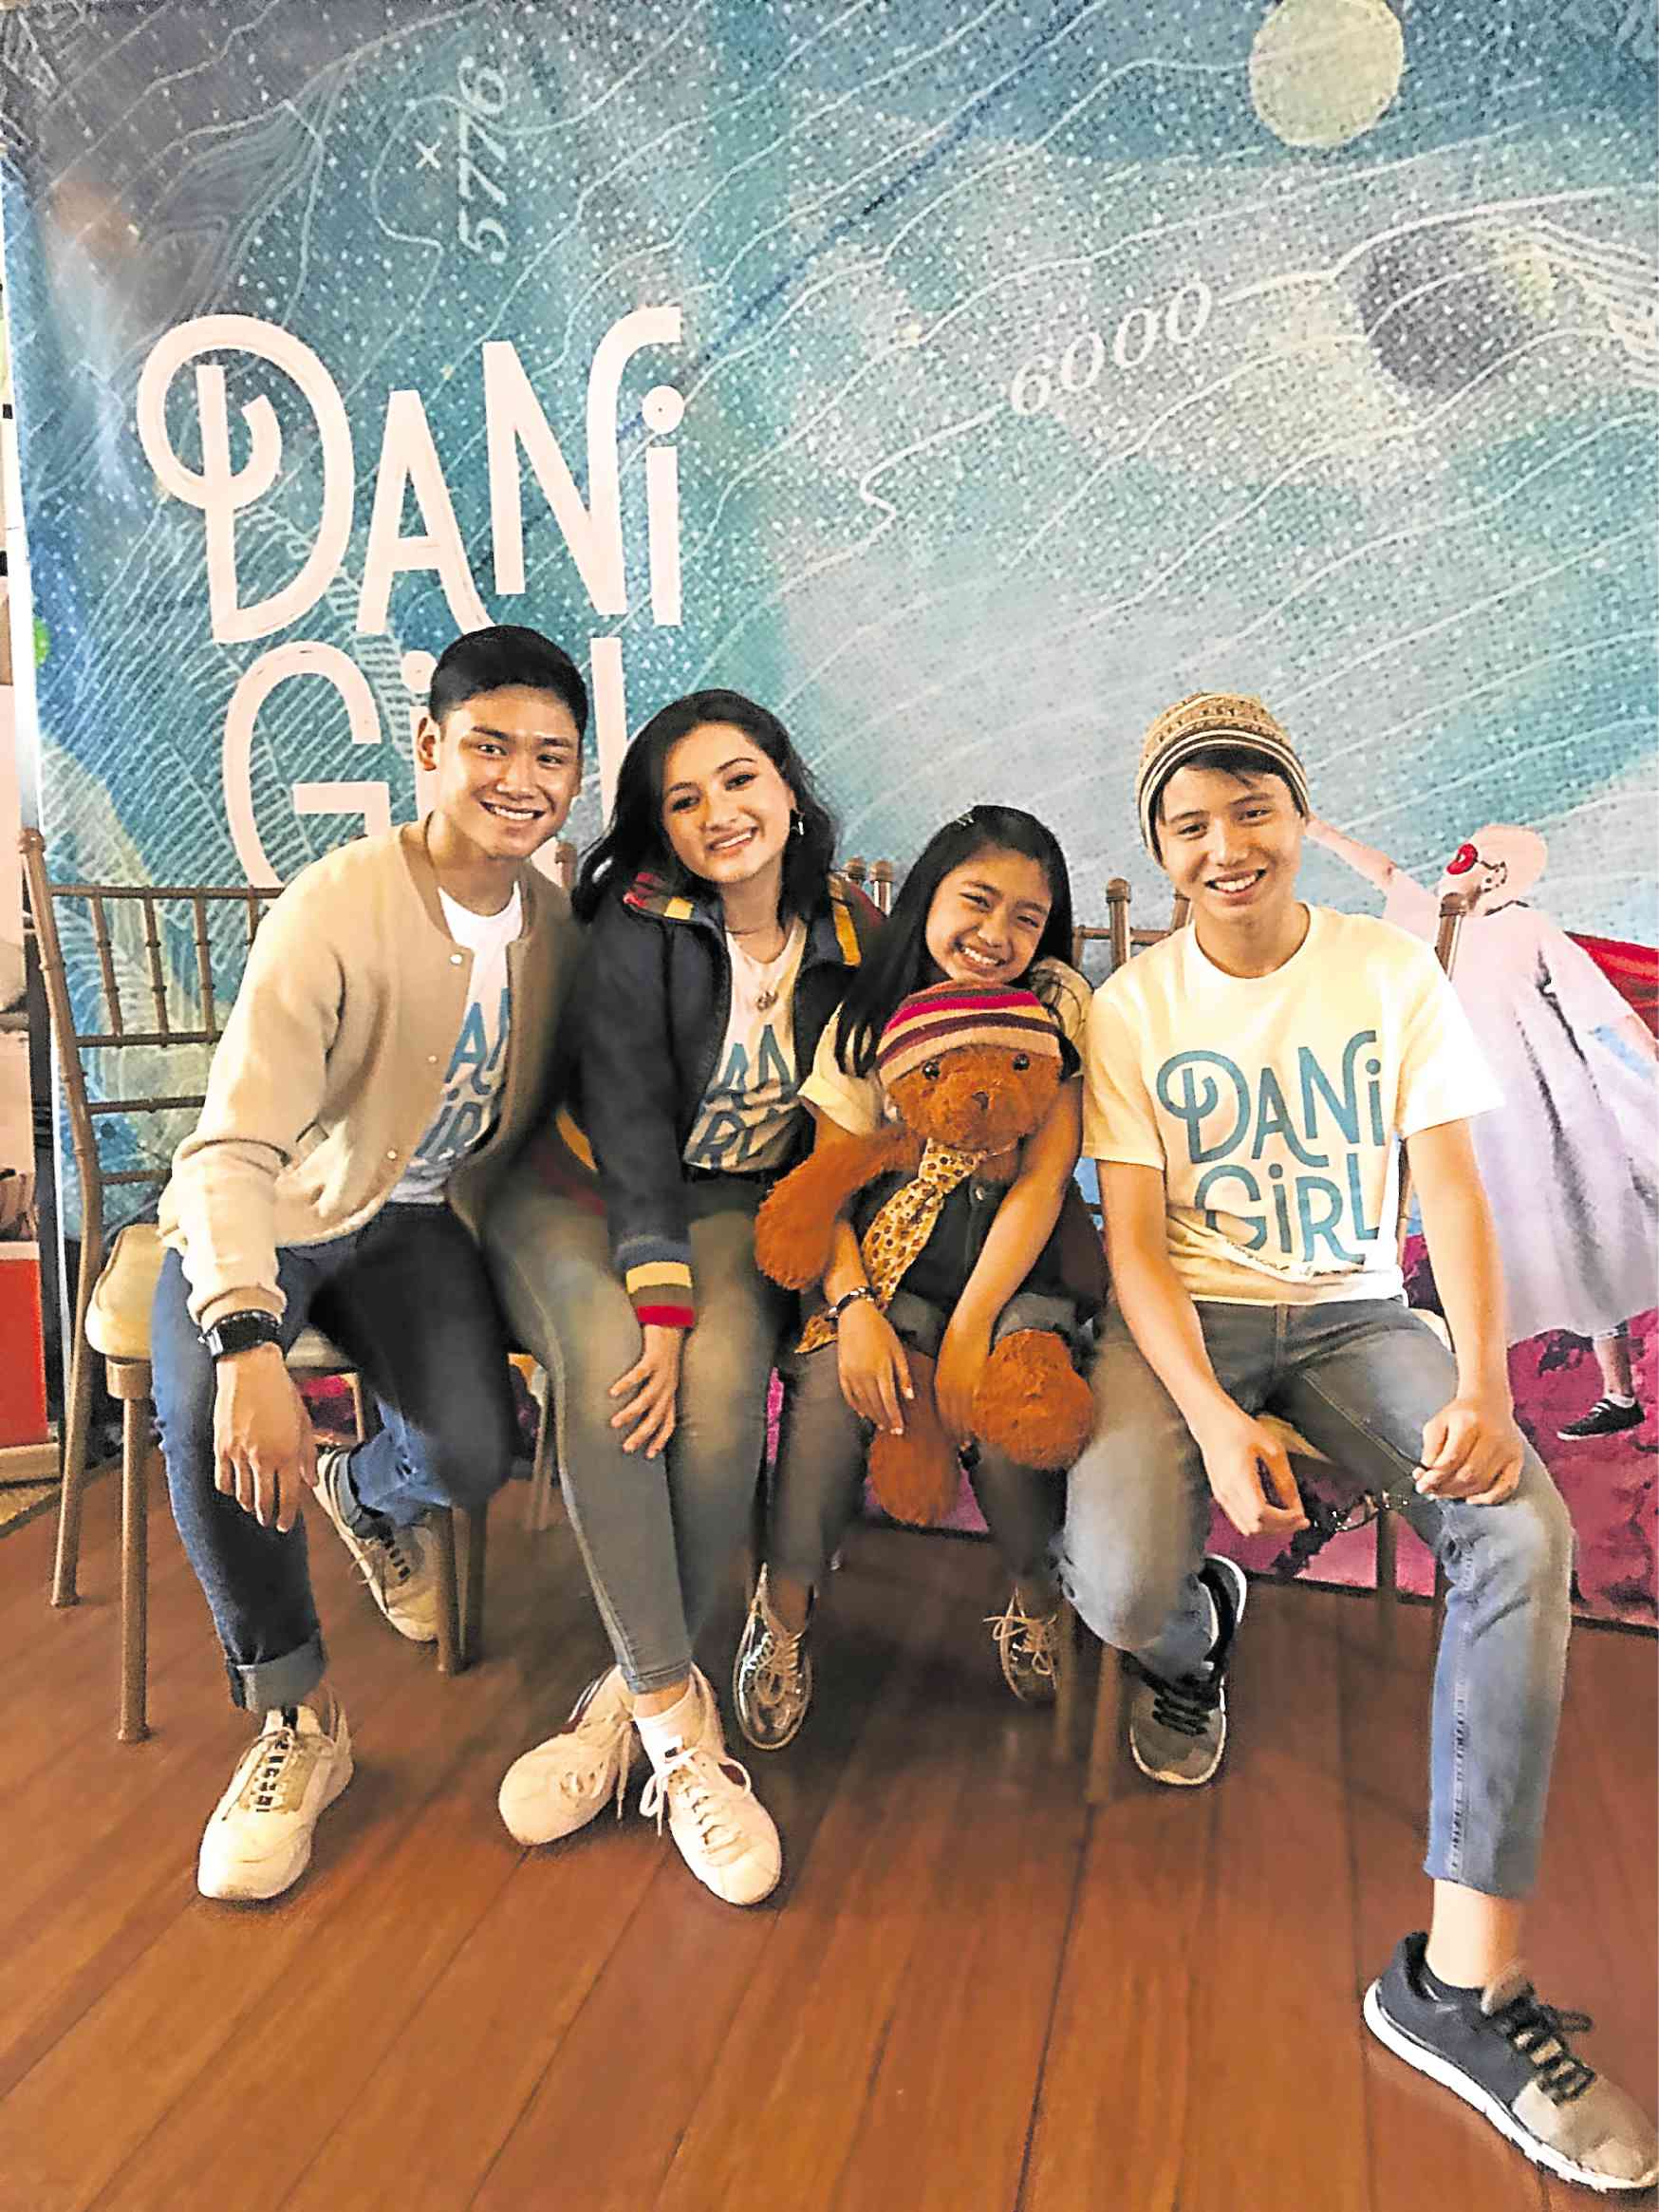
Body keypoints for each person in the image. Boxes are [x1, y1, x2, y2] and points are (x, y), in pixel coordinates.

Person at [1060, 691, 1657, 2194]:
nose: (1226, 846)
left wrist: (1481, 1382)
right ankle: (1197, 1630)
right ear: (1160, 847)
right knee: (1119, 1586)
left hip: (1351, 1314)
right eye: (1190, 825)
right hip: (1186, 1316)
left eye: (1252, 809)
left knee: (1521, 1526)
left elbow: (1452, 1187)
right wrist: (1213, 1416)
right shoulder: (1132, 1006)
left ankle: (1460, 1982)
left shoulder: (1386, 969)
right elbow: (1133, 1247)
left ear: (1295, 813)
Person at [152, 624, 587, 1903]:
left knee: (471, 1452)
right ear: (429, 749)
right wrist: (246, 1340)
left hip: (413, 1225)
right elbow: (231, 1145)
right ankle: (295, 1715)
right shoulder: (335, 907)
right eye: (490, 746)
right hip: (276, 1210)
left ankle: (366, 1490)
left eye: (551, 755)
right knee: (206, 1402)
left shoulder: (556, 926)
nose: (520, 778)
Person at [486, 689, 881, 1906]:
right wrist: (658, 1307)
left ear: (787, 784)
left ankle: (624, 1704)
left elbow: (887, 1093)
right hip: (579, 1187)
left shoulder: (851, 932)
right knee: (623, 1378)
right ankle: (679, 1737)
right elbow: (629, 1128)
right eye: (684, 798)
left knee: (717, 1402)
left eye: (739, 779)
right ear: (657, 826)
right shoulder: (635, 926)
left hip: (730, 1205)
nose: (719, 813)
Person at [733, 806, 1092, 1752]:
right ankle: (784, 1612)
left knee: (1009, 1409)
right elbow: (829, 1181)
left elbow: (1045, 1179)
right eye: (976, 900)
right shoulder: (863, 1016)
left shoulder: (1053, 1007)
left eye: (1026, 916)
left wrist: (972, 1329)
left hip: (1013, 1271)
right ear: (928, 894)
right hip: (881, 1271)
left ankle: (1036, 1594)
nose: (996, 934)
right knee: (831, 1389)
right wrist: (853, 1310)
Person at [1307, 814, 1658, 1439]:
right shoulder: (1435, 924)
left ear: (1495, 876)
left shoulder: (1529, 928)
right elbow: (1385, 872)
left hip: (1552, 1110)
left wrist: (1651, 1055)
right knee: (1494, 1245)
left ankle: (1618, 1392)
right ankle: (1487, 1401)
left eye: (1470, 859)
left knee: (1581, 1238)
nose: (1456, 866)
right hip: (1480, 1116)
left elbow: (1600, 1003)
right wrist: (1318, 831)